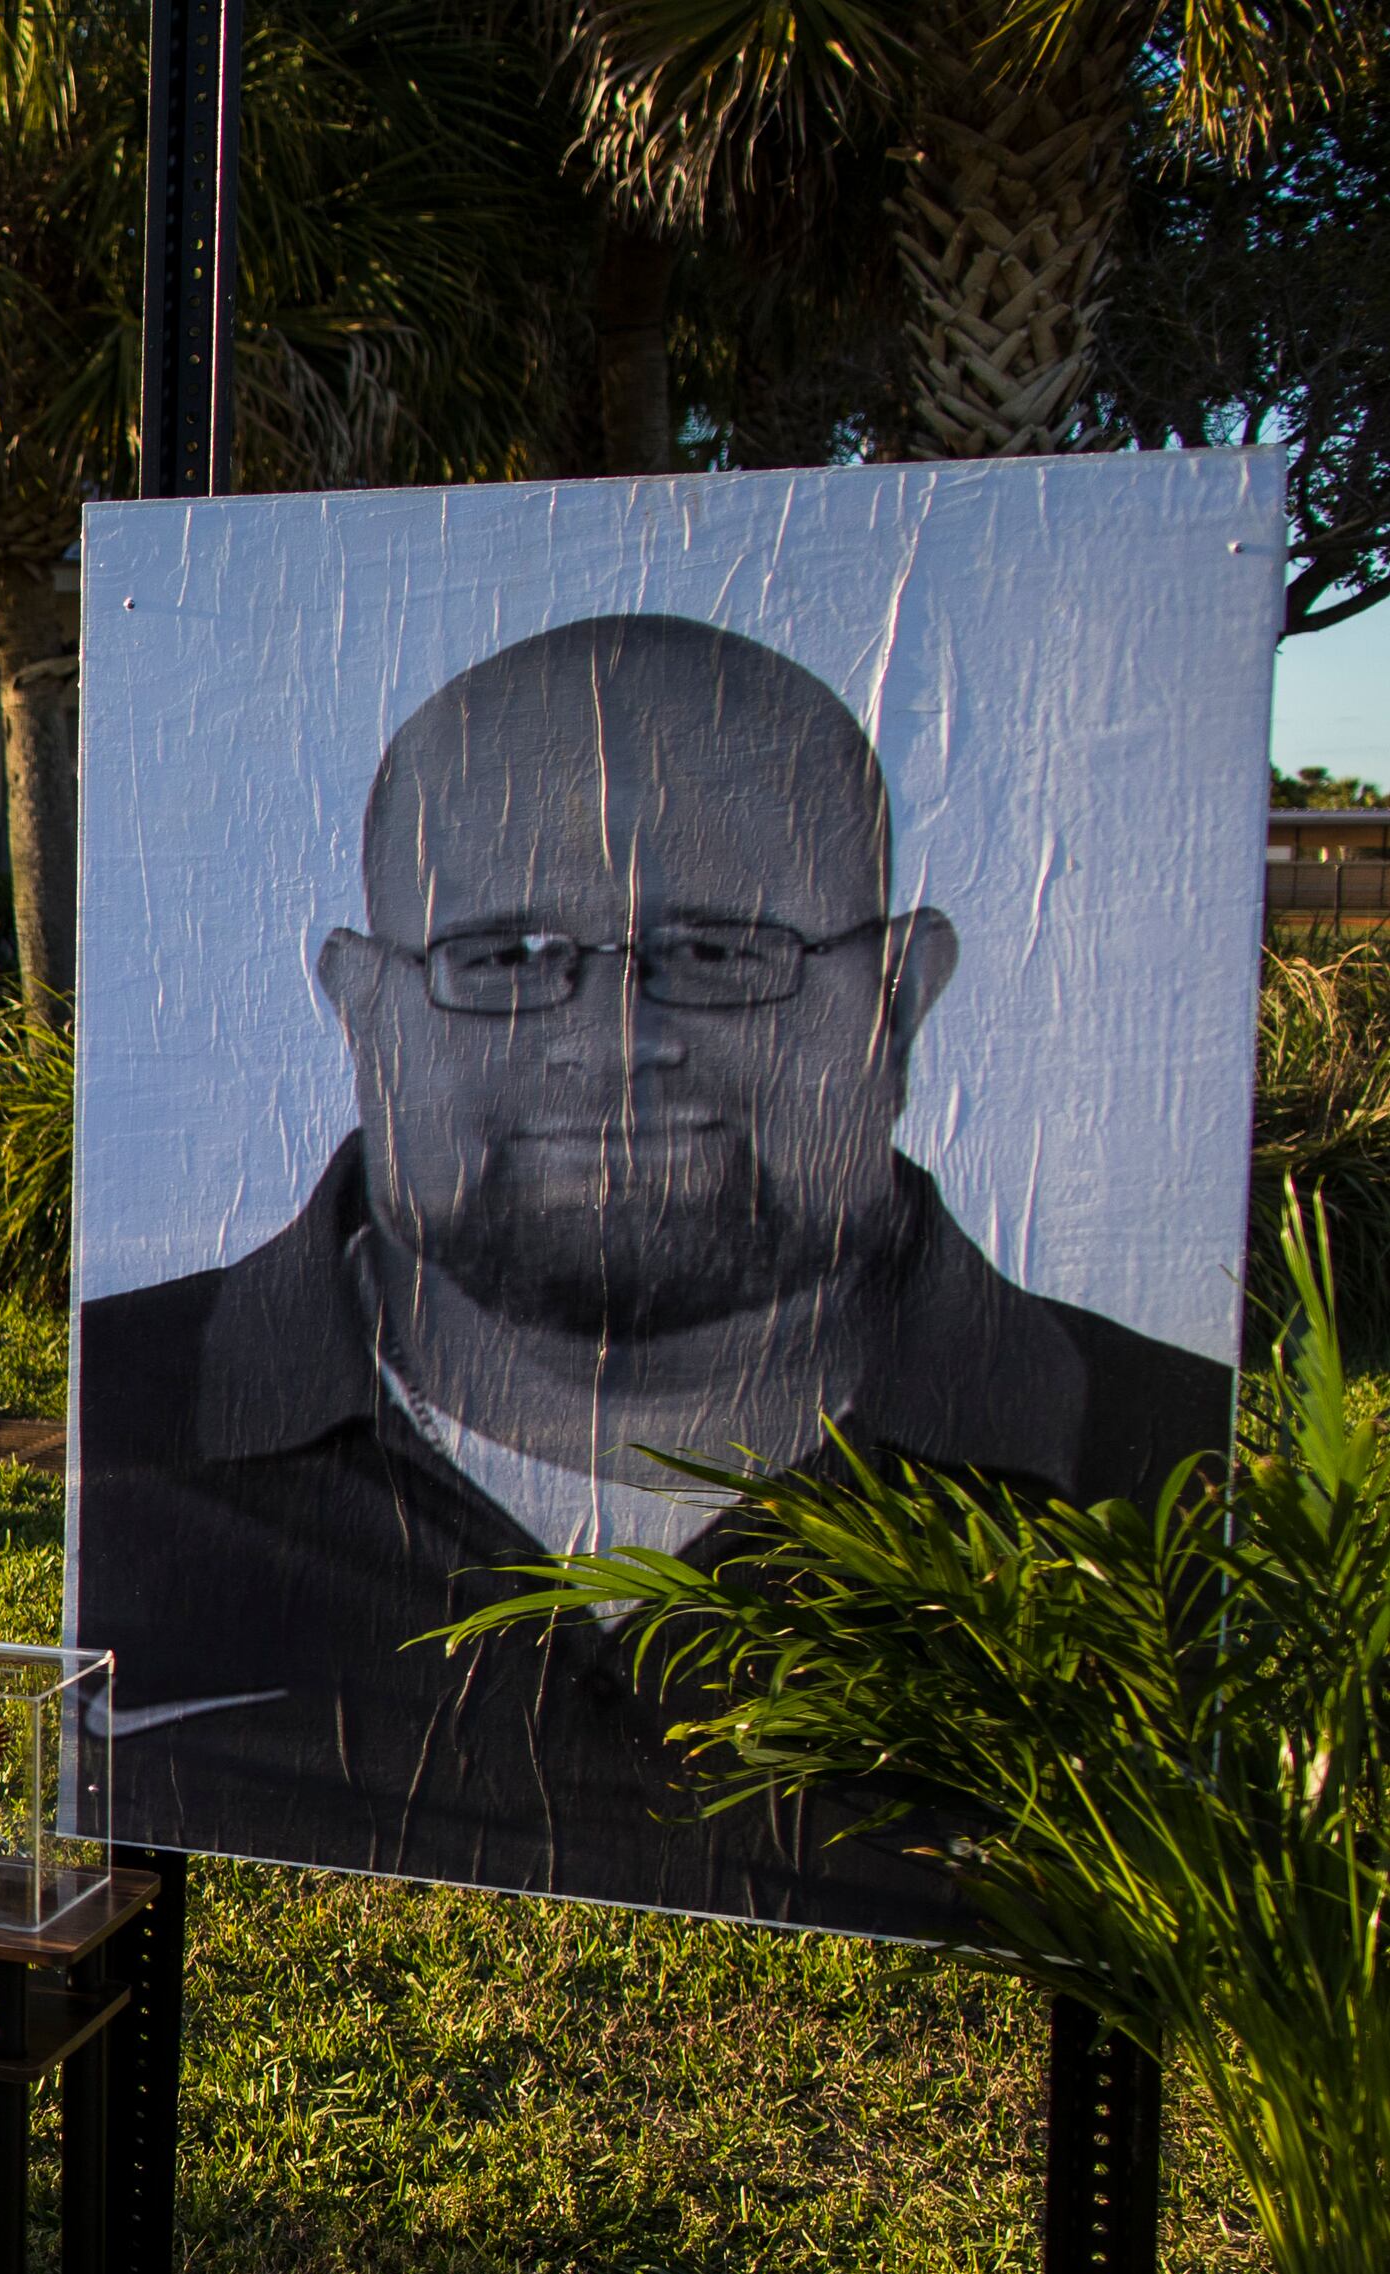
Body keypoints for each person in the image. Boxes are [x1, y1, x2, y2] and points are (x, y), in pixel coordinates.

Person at [77, 612, 1234, 1924]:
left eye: (723, 954)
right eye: (503, 959)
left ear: (896, 1002)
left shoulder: (1178, 1482)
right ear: (365, 1009)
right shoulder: (110, 1428)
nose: (613, 1044)